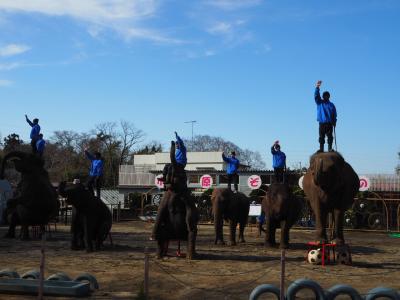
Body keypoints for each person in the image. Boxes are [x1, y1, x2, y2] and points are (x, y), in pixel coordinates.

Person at [315, 80, 337, 152]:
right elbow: (316, 96)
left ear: (329, 96)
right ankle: (321, 149)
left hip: (329, 123)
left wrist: (334, 122)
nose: (325, 97)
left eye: (327, 96)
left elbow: (334, 115)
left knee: (330, 137)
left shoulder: (331, 105)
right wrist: (317, 87)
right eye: (324, 96)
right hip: (322, 123)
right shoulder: (319, 103)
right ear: (322, 96)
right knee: (321, 137)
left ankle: (329, 148)